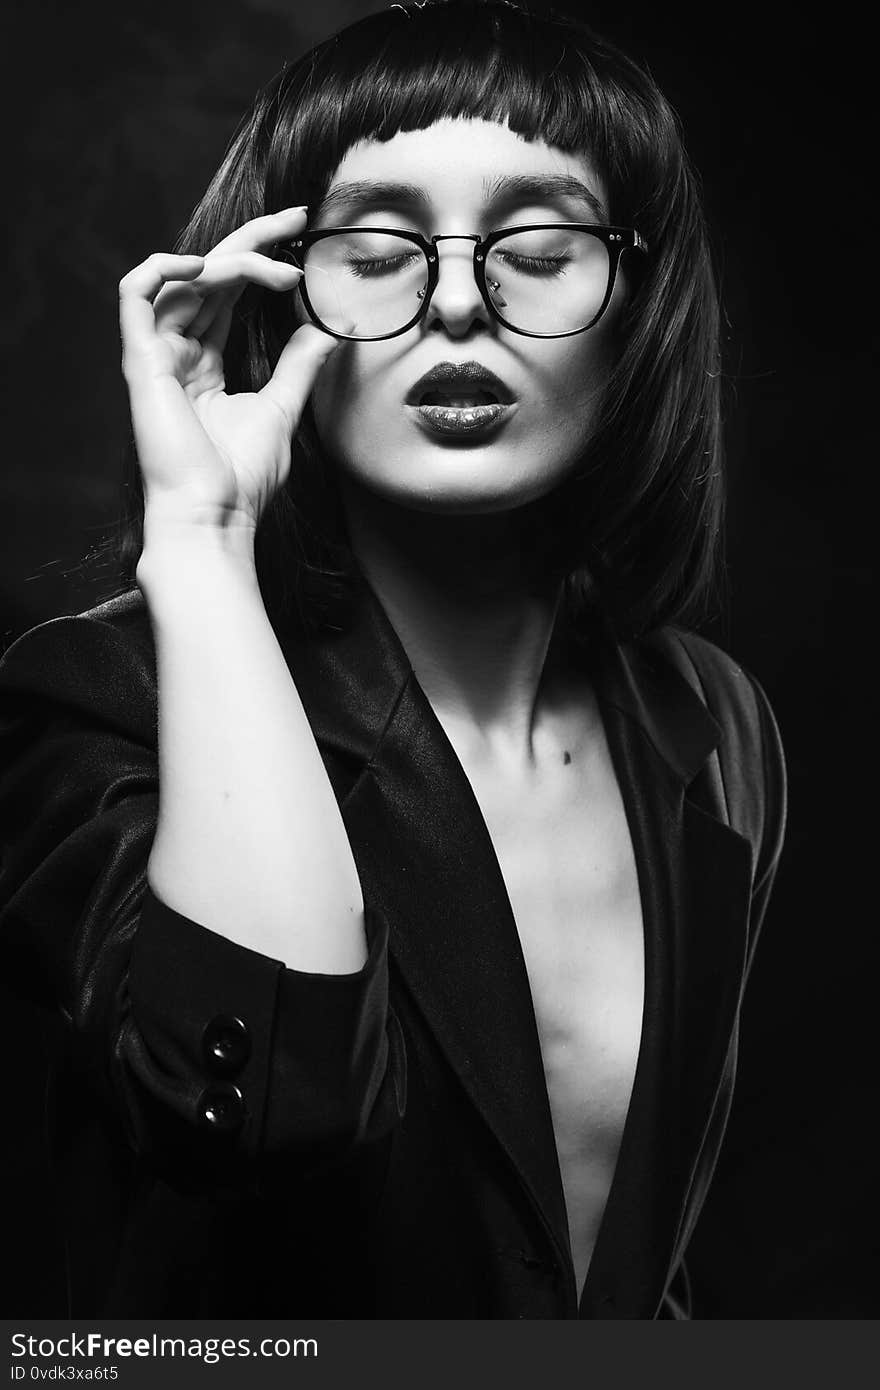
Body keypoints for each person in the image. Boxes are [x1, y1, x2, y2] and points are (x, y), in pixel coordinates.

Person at [0, 0, 785, 1319]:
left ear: (637, 300)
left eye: (540, 244)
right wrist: (202, 540)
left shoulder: (711, 720)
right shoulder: (90, 702)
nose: (463, 301)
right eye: (377, 248)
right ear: (276, 286)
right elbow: (260, 1121)